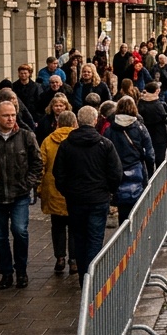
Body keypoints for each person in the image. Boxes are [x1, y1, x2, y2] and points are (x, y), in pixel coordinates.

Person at [54, 106, 120, 284]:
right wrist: (109, 190)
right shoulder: (104, 144)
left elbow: (58, 174)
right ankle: (91, 279)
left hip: (76, 199)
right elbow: (116, 173)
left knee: (80, 237)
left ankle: (84, 277)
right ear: (95, 120)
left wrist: (67, 192)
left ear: (78, 121)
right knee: (95, 238)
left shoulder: (66, 145)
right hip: (98, 199)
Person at [0, 100, 43, 289]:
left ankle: (21, 270)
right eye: (6, 115)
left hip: (19, 194)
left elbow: (37, 163)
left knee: (20, 231)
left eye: (13, 115)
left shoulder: (26, 136)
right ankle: (6, 272)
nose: (10, 118)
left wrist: (28, 183)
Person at [39, 110, 77, 274]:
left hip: (53, 188)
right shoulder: (76, 140)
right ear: (75, 123)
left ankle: (60, 257)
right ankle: (73, 260)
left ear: (58, 124)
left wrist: (40, 187)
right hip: (73, 190)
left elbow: (41, 165)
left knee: (57, 226)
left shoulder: (48, 140)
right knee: (74, 227)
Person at [105, 97, 155, 221]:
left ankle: (124, 224)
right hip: (136, 168)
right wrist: (151, 172)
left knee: (122, 205)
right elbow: (149, 153)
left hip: (117, 170)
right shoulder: (139, 128)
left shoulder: (110, 130)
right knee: (138, 203)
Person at [138, 82, 167, 173]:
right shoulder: (160, 105)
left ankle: (150, 177)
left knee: (148, 161)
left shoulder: (140, 104)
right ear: (157, 91)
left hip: (145, 136)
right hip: (159, 136)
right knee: (159, 161)